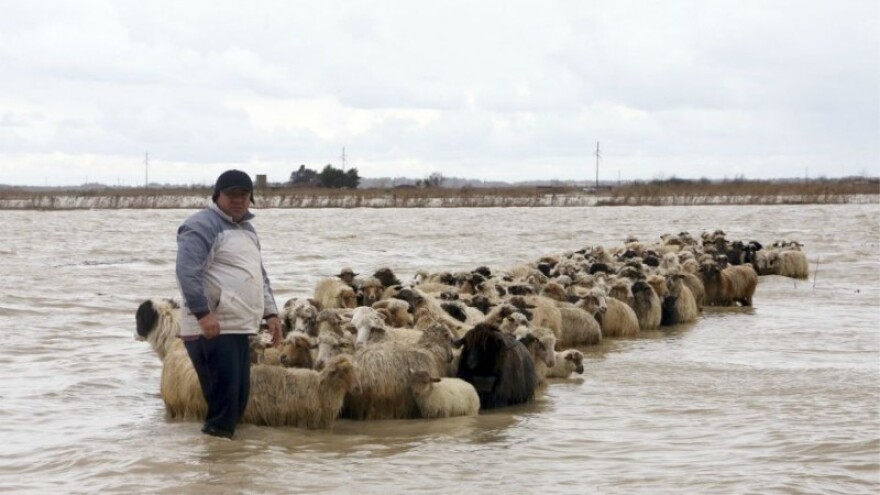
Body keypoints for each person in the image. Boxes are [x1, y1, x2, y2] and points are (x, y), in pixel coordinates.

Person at [175, 169, 282, 439]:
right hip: (211, 328)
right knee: (223, 407)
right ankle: (213, 469)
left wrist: (271, 313)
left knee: (237, 402)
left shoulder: (247, 229)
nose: (238, 200)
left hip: (240, 326)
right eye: (231, 194)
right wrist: (203, 314)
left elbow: (259, 274)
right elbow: (187, 272)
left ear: (251, 198)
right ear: (217, 195)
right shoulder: (201, 225)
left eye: (244, 194)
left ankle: (228, 470)